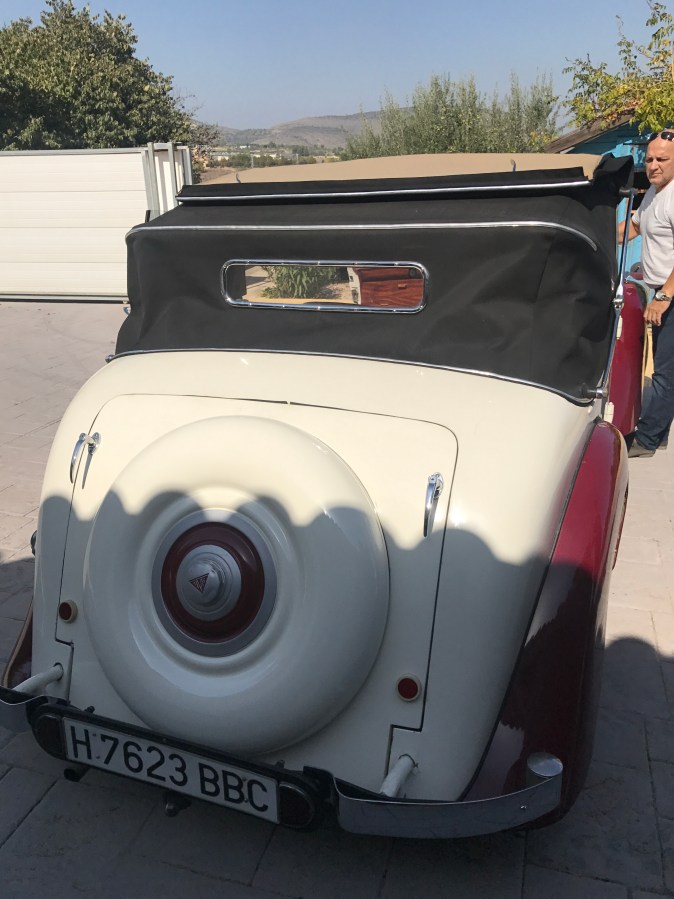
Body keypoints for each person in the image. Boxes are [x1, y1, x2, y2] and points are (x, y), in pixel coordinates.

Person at [624, 131, 674, 457]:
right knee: (662, 370)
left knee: (666, 374)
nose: (653, 165)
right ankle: (658, 431)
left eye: (662, 159)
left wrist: (664, 297)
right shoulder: (654, 194)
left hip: (670, 296)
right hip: (662, 292)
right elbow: (633, 227)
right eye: (650, 158)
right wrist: (592, 231)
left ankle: (647, 440)